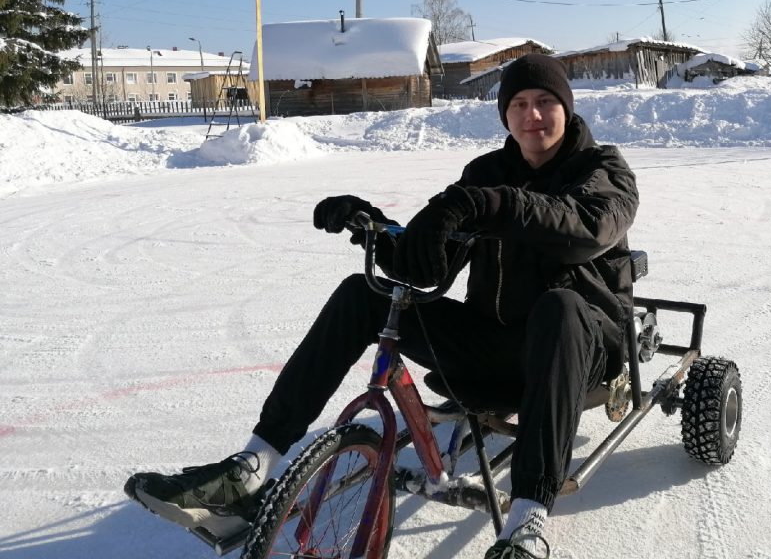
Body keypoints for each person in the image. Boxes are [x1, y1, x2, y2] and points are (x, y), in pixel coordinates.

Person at [125, 53, 639, 559]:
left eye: (545, 102)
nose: (532, 116)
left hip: (582, 348)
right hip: (496, 345)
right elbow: (431, 263)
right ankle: (254, 467)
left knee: (559, 307)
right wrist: (374, 227)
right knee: (362, 293)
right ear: (504, 113)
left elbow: (586, 228)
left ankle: (526, 522)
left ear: (566, 109)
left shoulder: (603, 168)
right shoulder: (486, 171)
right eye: (519, 103)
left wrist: (489, 204)